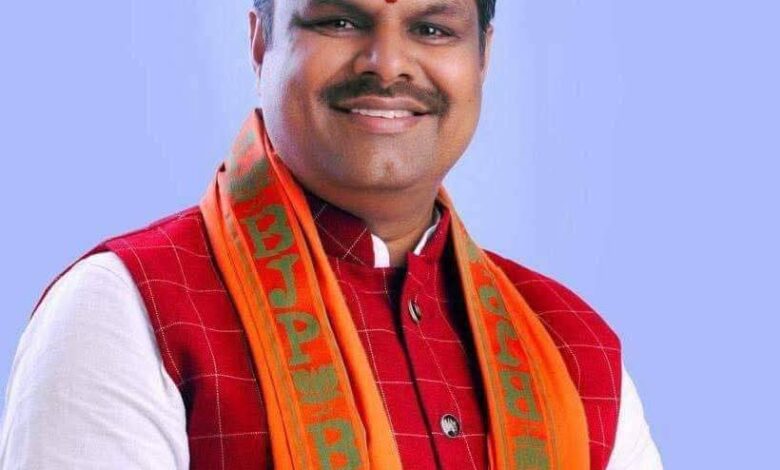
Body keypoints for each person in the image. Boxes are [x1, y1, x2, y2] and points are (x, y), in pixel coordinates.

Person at [1, 0, 662, 468]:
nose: (388, 64)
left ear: (483, 58)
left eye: (433, 28)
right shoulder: (126, 309)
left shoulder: (573, 347)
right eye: (341, 21)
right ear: (260, 42)